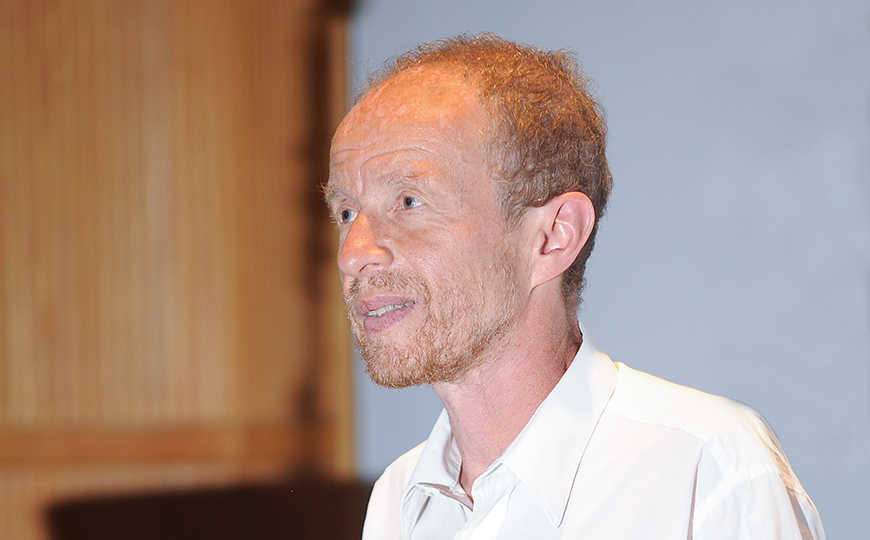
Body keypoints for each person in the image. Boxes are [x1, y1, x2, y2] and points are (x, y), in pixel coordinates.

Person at [324, 34, 825, 539]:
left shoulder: (706, 472)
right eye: (346, 212)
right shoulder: (397, 502)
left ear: (554, 237)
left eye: (409, 202)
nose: (353, 253)